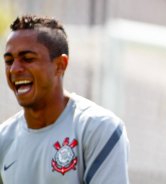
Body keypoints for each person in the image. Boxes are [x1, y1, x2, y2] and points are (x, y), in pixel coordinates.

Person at [0, 15, 129, 184]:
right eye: (9, 61)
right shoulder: (3, 139)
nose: (14, 69)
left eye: (28, 58)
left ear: (60, 65)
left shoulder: (98, 128)